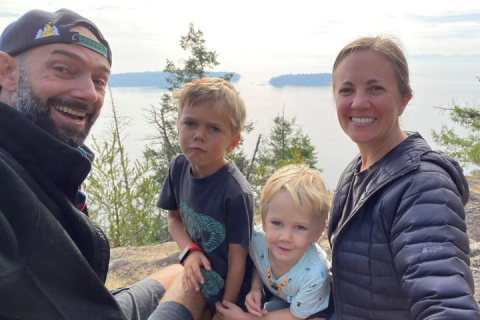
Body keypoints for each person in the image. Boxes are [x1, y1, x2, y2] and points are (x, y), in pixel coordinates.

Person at [0, 8, 182, 320]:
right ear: (7, 72)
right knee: (185, 286)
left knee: (176, 273)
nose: (88, 94)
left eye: (99, 80)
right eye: (63, 68)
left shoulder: (42, 171)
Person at [328, 35, 480, 319]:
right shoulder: (356, 171)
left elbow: (447, 305)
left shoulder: (423, 188)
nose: (359, 103)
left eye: (375, 89)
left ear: (404, 99)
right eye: (347, 90)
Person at [152, 78, 254, 320]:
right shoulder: (178, 167)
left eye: (213, 128)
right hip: (197, 280)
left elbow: (238, 261)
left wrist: (224, 310)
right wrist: (189, 251)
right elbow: (174, 218)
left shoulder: (236, 192)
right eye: (190, 123)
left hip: (232, 295)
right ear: (178, 125)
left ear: (233, 141)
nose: (199, 135)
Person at [215, 164, 333, 320]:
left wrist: (244, 318)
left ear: (317, 233)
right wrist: (256, 288)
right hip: (284, 298)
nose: (285, 237)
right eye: (277, 223)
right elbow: (260, 260)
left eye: (299, 227)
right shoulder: (257, 240)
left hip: (312, 308)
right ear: (263, 222)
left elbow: (295, 316)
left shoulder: (315, 275)